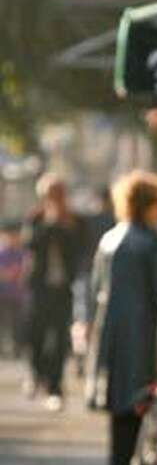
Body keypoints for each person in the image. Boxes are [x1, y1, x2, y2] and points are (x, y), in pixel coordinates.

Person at [85, 171, 157, 465]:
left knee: (119, 419)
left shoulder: (110, 240)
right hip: (144, 340)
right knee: (141, 414)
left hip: (112, 339)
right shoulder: (151, 244)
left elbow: (95, 292)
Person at [24, 173, 85, 410]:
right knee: (36, 335)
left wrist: (64, 226)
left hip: (63, 288)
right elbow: (31, 244)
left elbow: (80, 248)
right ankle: (36, 374)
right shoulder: (36, 218)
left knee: (60, 338)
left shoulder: (75, 220)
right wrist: (50, 223)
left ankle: (55, 386)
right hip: (39, 288)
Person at [0, 221, 28, 359]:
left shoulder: (21, 252)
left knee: (17, 323)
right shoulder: (2, 252)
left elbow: (26, 270)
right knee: (3, 322)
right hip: (3, 294)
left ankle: (17, 347)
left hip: (18, 295)